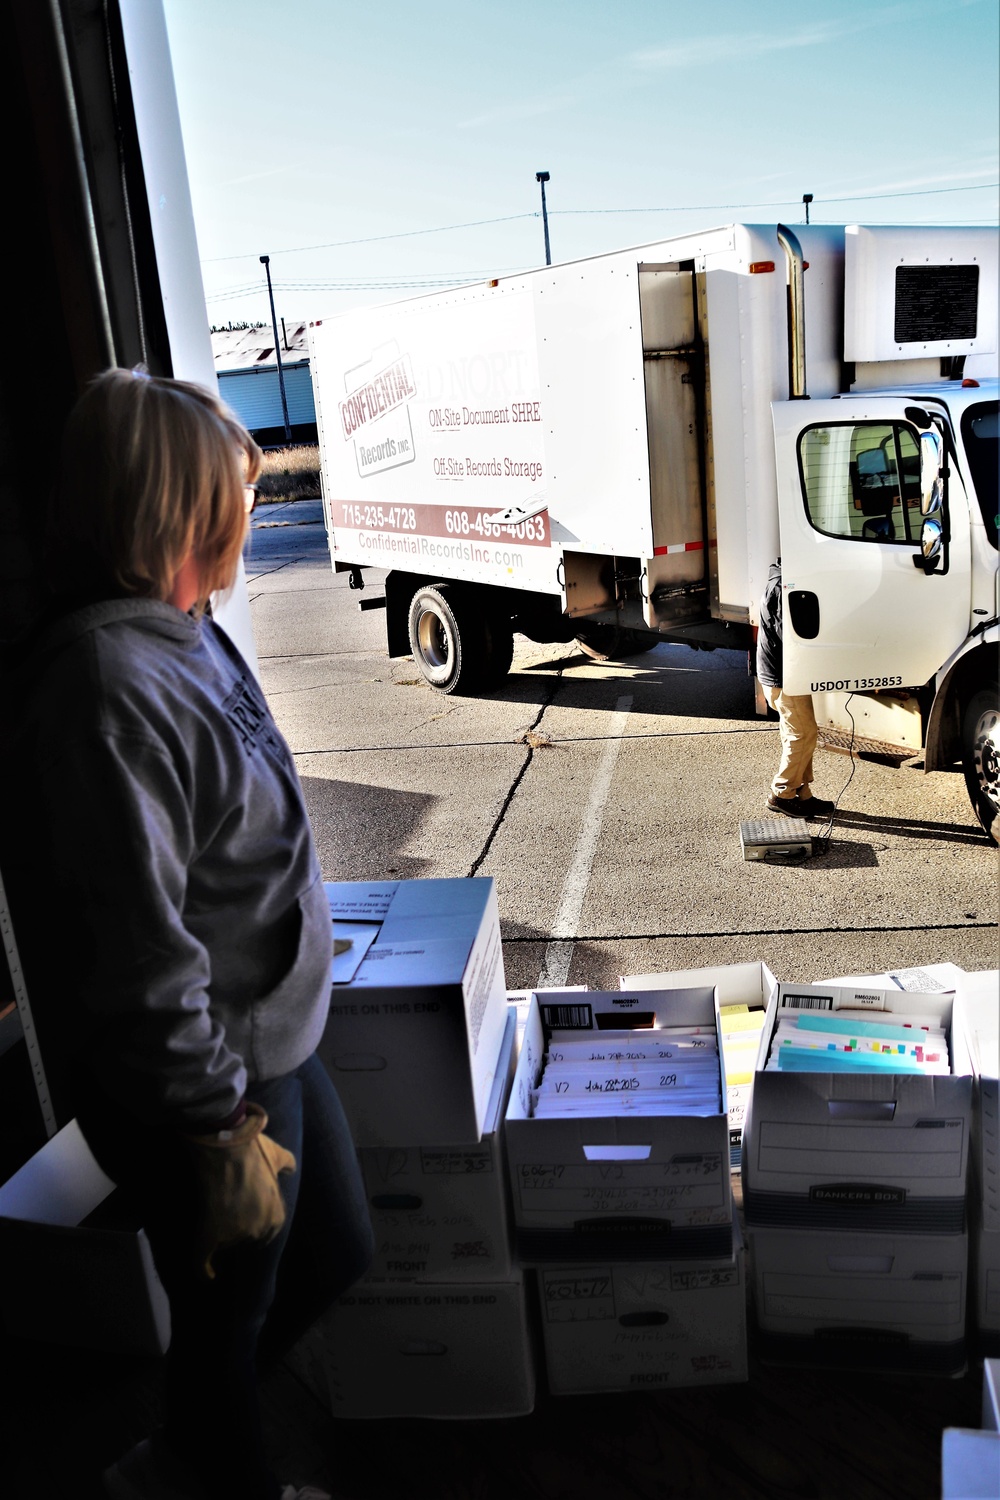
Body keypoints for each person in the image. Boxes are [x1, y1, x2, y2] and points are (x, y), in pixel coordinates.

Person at [2, 369, 373, 1500]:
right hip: (202, 1093)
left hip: (268, 1044)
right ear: (175, 507)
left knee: (332, 1255)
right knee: (226, 1326)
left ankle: (187, 1446)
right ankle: (205, 1466)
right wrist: (214, 1122)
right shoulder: (105, 688)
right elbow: (137, 951)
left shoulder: (186, 632)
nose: (250, 518)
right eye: (233, 497)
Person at [756, 560, 836, 821]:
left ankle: (802, 793)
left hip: (780, 675)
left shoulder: (779, 579)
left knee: (798, 733)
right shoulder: (783, 587)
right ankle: (782, 793)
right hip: (783, 676)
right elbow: (792, 635)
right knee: (802, 733)